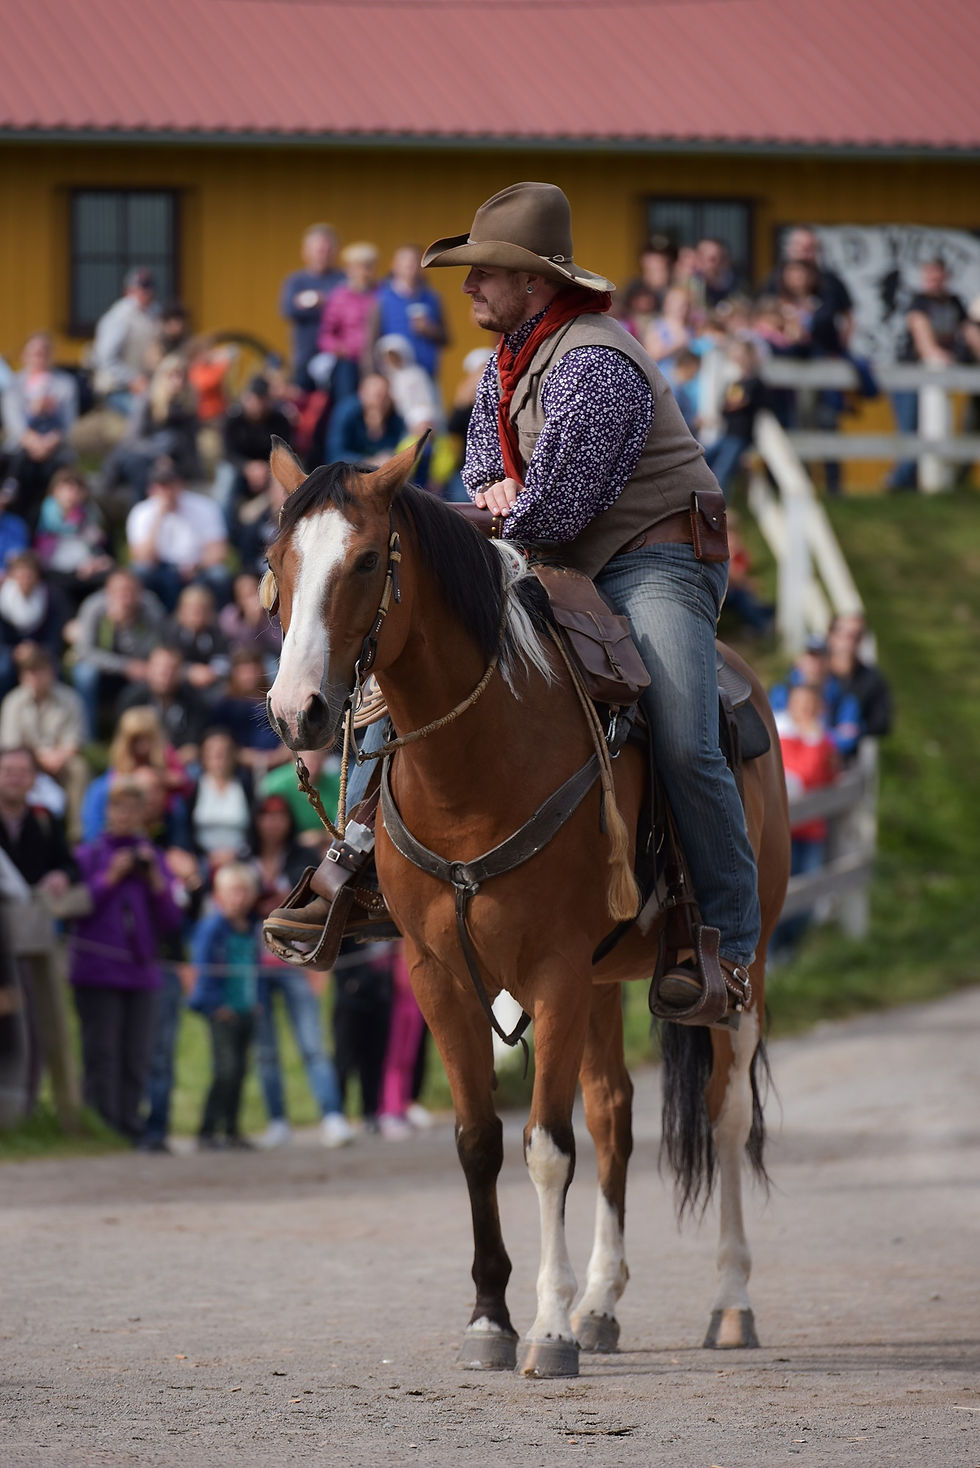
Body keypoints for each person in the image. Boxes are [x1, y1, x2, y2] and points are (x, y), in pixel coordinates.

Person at [270, 182, 761, 1018]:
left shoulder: (597, 362)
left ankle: (726, 942)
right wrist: (492, 502)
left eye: (483, 274)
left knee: (682, 735)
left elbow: (555, 506)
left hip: (655, 559)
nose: (467, 289)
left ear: (533, 282)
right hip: (554, 555)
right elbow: (479, 475)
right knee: (422, 660)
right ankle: (353, 863)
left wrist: (495, 507)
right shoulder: (509, 361)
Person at [68, 780, 182, 1142]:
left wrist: (155, 882)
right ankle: (102, 1128)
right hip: (97, 972)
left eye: (133, 811)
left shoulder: (153, 858)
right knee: (102, 1055)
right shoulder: (89, 856)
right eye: (119, 810)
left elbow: (171, 921)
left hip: (142, 972)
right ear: (107, 814)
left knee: (137, 1057)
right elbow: (74, 908)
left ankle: (130, 1127)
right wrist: (109, 877)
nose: (125, 817)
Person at [251, 793, 354, 1149]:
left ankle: (332, 1115)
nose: (273, 823)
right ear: (257, 820)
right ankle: (277, 1120)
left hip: (295, 957)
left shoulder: (302, 858)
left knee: (312, 1042)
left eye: (279, 816)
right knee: (265, 1049)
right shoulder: (242, 857)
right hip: (253, 966)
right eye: (266, 815)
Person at [888, 259, 980, 492]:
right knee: (910, 433)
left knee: (938, 430)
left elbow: (970, 332)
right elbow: (920, 332)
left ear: (946, 278)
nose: (934, 282)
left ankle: (930, 486)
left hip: (940, 376)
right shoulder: (918, 302)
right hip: (911, 374)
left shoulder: (955, 302)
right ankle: (898, 486)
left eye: (938, 277)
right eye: (930, 277)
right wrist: (935, 354)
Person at [189, 862, 262, 1149]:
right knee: (225, 1070)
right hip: (222, 1013)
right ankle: (207, 1131)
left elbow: (256, 970)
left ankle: (231, 1129)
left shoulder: (252, 928)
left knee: (241, 1071)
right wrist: (215, 1005)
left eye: (244, 891)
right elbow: (203, 970)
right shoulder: (211, 928)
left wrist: (257, 1002)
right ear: (219, 896)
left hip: (246, 1008)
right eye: (233, 892)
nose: (239, 898)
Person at [771, 682, 840, 958]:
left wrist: (815, 740)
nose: (806, 711)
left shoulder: (822, 739)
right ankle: (772, 954)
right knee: (778, 893)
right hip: (782, 832)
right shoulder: (781, 735)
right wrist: (814, 741)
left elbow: (823, 779)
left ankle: (788, 950)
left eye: (811, 705)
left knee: (807, 897)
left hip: (811, 832)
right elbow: (802, 776)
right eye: (802, 704)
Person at [0, 644, 88, 838]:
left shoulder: (71, 699)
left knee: (79, 768)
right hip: (25, 763)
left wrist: (57, 757)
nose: (36, 678)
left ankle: (77, 833)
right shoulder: (12, 702)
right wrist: (39, 759)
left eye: (41, 672)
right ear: (22, 676)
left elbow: (75, 741)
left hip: (61, 762)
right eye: (31, 673)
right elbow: (10, 747)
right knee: (11, 770)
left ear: (52, 673)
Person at [69, 569, 166, 741]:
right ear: (107, 592)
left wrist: (129, 625)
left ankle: (149, 736)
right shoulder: (94, 607)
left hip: (139, 668)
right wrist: (123, 665)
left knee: (159, 674)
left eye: (130, 590)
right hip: (103, 669)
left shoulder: (151, 609)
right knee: (84, 674)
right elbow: (85, 651)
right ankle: (87, 737)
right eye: (119, 591)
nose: (125, 596)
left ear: (139, 591)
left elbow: (157, 648)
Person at [125, 457, 230, 611]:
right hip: (160, 569)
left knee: (219, 575)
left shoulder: (205, 506)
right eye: (161, 485)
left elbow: (219, 552)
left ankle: (219, 626)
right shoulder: (141, 512)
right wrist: (159, 517)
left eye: (170, 484)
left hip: (197, 569)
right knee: (139, 573)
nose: (167, 491)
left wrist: (197, 566)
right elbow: (142, 557)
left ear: (181, 484)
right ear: (152, 488)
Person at [1, 332, 79, 523]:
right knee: (15, 468)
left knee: (62, 470)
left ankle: (56, 523)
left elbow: (68, 423)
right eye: (34, 353)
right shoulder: (14, 385)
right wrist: (33, 417)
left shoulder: (64, 384)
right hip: (21, 448)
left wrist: (49, 441)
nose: (38, 358)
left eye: (43, 353)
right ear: (24, 356)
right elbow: (14, 424)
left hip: (55, 447)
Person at [115, 643, 210, 766]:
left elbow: (193, 743)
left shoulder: (194, 701)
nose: (166, 674)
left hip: (181, 764)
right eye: (161, 667)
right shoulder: (132, 699)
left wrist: (176, 758)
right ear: (149, 668)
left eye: (172, 668)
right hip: (141, 762)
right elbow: (125, 741)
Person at [33, 467, 113, 608]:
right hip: (53, 573)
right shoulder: (39, 516)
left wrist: (97, 562)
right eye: (67, 489)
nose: (72, 494)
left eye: (77, 490)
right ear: (55, 491)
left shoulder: (92, 516)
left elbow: (105, 549)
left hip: (87, 571)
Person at [312, 242, 380, 404]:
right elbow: (326, 335)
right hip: (348, 360)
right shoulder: (340, 297)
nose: (364, 272)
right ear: (349, 269)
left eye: (368, 266)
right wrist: (339, 348)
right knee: (347, 397)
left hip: (375, 359)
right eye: (358, 267)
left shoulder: (381, 294)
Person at [280, 224, 345, 389]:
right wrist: (326, 304)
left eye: (327, 250)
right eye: (318, 250)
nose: (322, 255)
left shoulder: (343, 280)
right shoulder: (296, 281)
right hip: (305, 356)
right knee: (303, 404)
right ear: (305, 252)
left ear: (335, 251)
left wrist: (318, 303)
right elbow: (288, 310)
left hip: (339, 358)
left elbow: (350, 312)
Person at [90, 267, 159, 415]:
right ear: (129, 290)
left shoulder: (155, 313)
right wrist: (132, 380)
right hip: (117, 389)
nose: (145, 292)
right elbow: (106, 358)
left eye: (149, 286)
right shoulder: (119, 316)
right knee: (143, 414)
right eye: (141, 287)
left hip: (148, 387)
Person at [374, 243, 449, 380]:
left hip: (427, 375)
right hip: (393, 377)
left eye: (415, 261)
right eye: (405, 261)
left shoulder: (432, 298)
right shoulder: (381, 298)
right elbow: (371, 341)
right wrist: (372, 376)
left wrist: (429, 329)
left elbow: (446, 338)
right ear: (394, 265)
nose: (411, 266)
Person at [0, 550, 69, 698]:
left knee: (54, 672)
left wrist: (36, 651)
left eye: (29, 575)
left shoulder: (51, 597)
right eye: (20, 574)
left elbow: (55, 636)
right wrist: (15, 651)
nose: (25, 580)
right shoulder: (2, 598)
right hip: (9, 653)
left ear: (37, 576)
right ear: (12, 575)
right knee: (3, 670)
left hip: (42, 651)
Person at [703, 339, 766, 497]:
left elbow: (739, 404)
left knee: (722, 474)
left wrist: (732, 404)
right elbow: (726, 406)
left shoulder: (755, 382)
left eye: (741, 354)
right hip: (727, 434)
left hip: (740, 436)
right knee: (703, 461)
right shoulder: (736, 382)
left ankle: (719, 514)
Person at [825, 612, 893, 742]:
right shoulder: (813, 672)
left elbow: (882, 722)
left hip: (851, 753)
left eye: (857, 636)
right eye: (846, 635)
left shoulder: (872, 679)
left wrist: (858, 729)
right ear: (831, 636)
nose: (850, 642)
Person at [324, 373, 406, 466]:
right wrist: (369, 462)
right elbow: (335, 456)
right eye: (377, 395)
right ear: (362, 393)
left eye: (385, 396)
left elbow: (400, 451)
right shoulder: (346, 412)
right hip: (349, 475)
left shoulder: (395, 420)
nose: (381, 402)